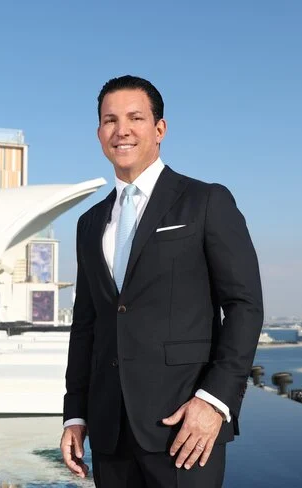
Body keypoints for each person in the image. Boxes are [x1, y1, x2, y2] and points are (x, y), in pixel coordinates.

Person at [61, 75, 264, 487]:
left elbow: (244, 306)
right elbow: (86, 325)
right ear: (99, 133)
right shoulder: (89, 223)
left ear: (159, 129)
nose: (122, 130)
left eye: (135, 118)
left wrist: (215, 401)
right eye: (110, 120)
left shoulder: (206, 201)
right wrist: (75, 414)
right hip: (110, 432)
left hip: (185, 428)